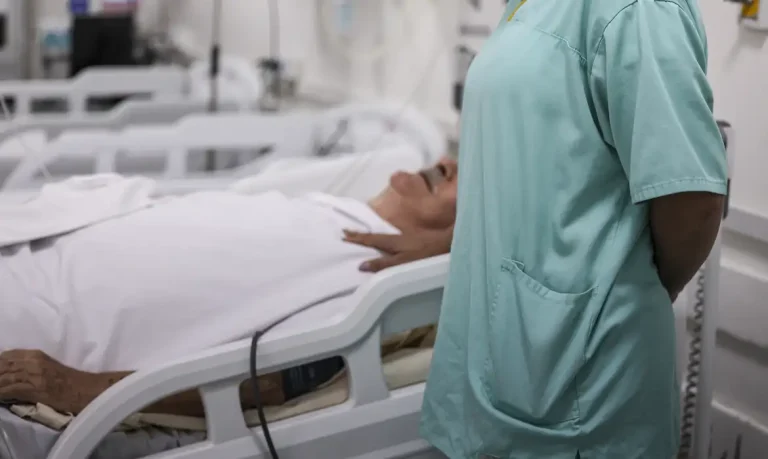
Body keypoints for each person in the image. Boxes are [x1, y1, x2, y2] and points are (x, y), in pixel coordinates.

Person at [346, 1, 727, 458]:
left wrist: (614, 298)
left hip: (582, 373)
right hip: (507, 359)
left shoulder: (638, 9)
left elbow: (693, 204)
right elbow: (552, 160)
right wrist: (462, 238)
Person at [0, 157, 457, 416]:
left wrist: (86, 389)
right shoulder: (325, 204)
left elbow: (270, 383)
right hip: (28, 250)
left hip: (37, 325)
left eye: (475, 180)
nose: (448, 163)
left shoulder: (378, 284)